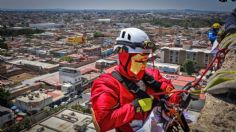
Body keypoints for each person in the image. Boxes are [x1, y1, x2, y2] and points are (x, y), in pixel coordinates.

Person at [91, 28, 183, 132]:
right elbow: (101, 123)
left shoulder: (152, 76)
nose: (143, 66)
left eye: (145, 61)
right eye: (139, 61)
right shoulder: (107, 84)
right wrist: (135, 107)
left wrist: (182, 97)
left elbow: (170, 93)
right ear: (124, 57)